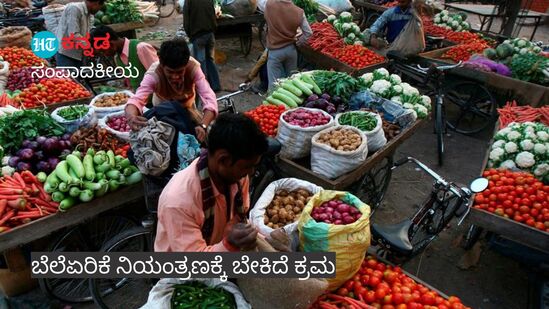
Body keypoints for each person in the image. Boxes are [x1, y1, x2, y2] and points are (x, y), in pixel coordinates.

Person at [154, 113, 269, 252]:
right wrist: (229, 245)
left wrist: (266, 238)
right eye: (247, 167)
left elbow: (239, 217)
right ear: (223, 160)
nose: (251, 172)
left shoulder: (238, 176)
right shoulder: (178, 201)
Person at [125, 38, 218, 143]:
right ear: (161, 64)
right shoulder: (153, 75)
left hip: (188, 109)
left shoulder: (193, 68)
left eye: (179, 72)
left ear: (186, 64)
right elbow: (136, 100)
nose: (175, 77)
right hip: (163, 114)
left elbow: (209, 97)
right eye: (170, 72)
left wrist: (203, 125)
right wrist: (131, 116)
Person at [89, 25, 158, 91]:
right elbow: (131, 84)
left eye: (103, 51)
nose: (105, 55)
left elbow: (159, 77)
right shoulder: (117, 58)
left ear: (111, 44)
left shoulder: (141, 48)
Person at [264, 0, 312, 90]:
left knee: (274, 85)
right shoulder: (299, 11)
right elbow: (308, 33)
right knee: (292, 84)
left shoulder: (270, 4)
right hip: (291, 50)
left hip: (275, 52)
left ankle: (274, 104)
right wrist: (299, 43)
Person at [183, 0, 221, 92]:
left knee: (201, 62)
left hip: (199, 35)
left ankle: (204, 88)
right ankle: (216, 86)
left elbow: (186, 21)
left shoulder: (189, 1)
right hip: (210, 33)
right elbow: (212, 13)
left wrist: (190, 35)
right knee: (209, 59)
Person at [55, 0, 105, 67]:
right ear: (96, 3)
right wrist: (90, 47)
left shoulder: (89, 14)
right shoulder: (74, 9)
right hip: (66, 54)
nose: (98, 10)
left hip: (78, 54)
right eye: (99, 8)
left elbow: (88, 31)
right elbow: (73, 35)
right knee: (68, 76)